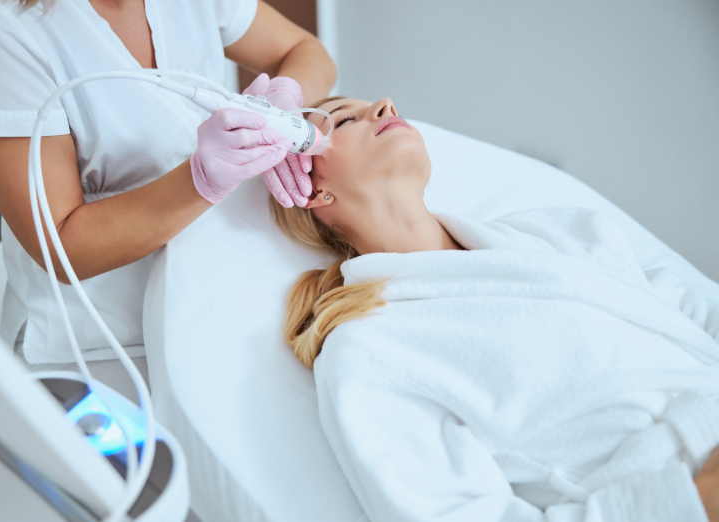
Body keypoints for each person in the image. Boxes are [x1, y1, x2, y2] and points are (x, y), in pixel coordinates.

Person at [271, 96, 719, 521]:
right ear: (314, 192)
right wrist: (689, 503)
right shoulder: (369, 350)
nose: (385, 105)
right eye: (345, 119)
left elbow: (694, 309)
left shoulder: (556, 233)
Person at [0, 0, 335, 393]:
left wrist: (284, 99)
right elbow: (62, 245)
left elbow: (305, 52)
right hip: (99, 348)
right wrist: (199, 181)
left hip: (213, 314)